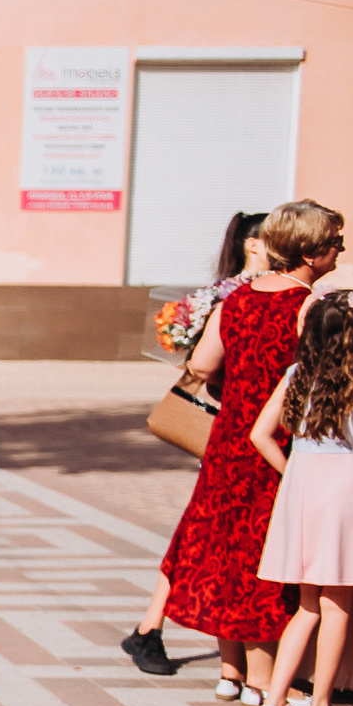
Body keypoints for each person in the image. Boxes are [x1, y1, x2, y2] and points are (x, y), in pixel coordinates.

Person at [147, 201, 344, 706]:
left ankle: (230, 671)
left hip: (228, 440)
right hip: (277, 441)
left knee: (226, 549)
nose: (341, 250)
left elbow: (202, 364)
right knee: (263, 556)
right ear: (310, 251)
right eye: (334, 242)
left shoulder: (236, 300)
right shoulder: (307, 305)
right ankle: (262, 678)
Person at [122, 209, 270, 675]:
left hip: (241, 430)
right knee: (201, 532)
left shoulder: (245, 291)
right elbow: (201, 362)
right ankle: (153, 629)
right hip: (230, 427)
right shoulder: (230, 295)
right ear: (252, 244)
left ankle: (153, 628)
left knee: (201, 531)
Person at [251, 289, 353, 706]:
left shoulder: (297, 374)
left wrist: (292, 471)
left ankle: (274, 704)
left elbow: (260, 434)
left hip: (303, 487)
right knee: (338, 605)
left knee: (308, 605)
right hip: (345, 490)